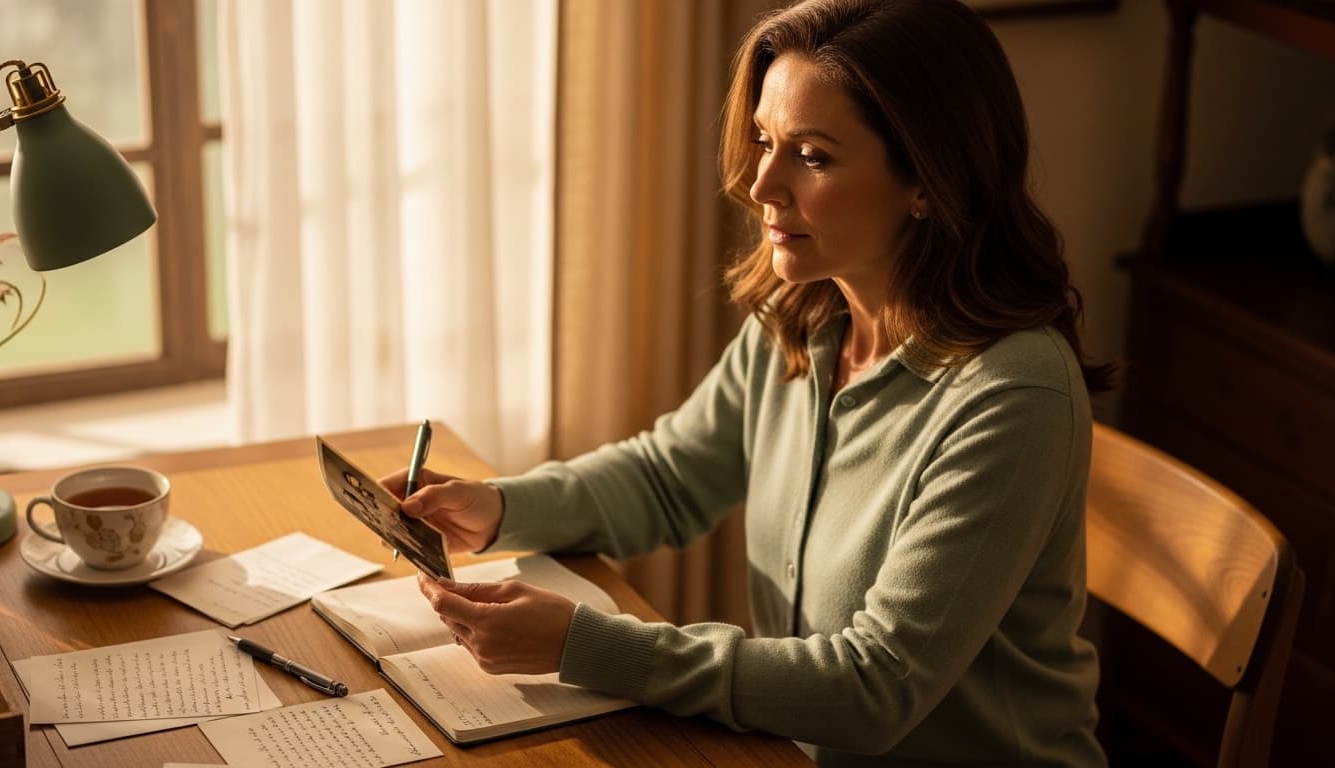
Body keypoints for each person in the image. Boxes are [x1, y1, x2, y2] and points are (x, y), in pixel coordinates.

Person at [382, 0, 1113, 764]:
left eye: (814, 156)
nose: (762, 182)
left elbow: (876, 686)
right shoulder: (803, 315)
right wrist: (498, 507)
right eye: (765, 140)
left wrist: (585, 644)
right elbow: (670, 477)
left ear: (927, 179)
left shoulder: (1011, 394)